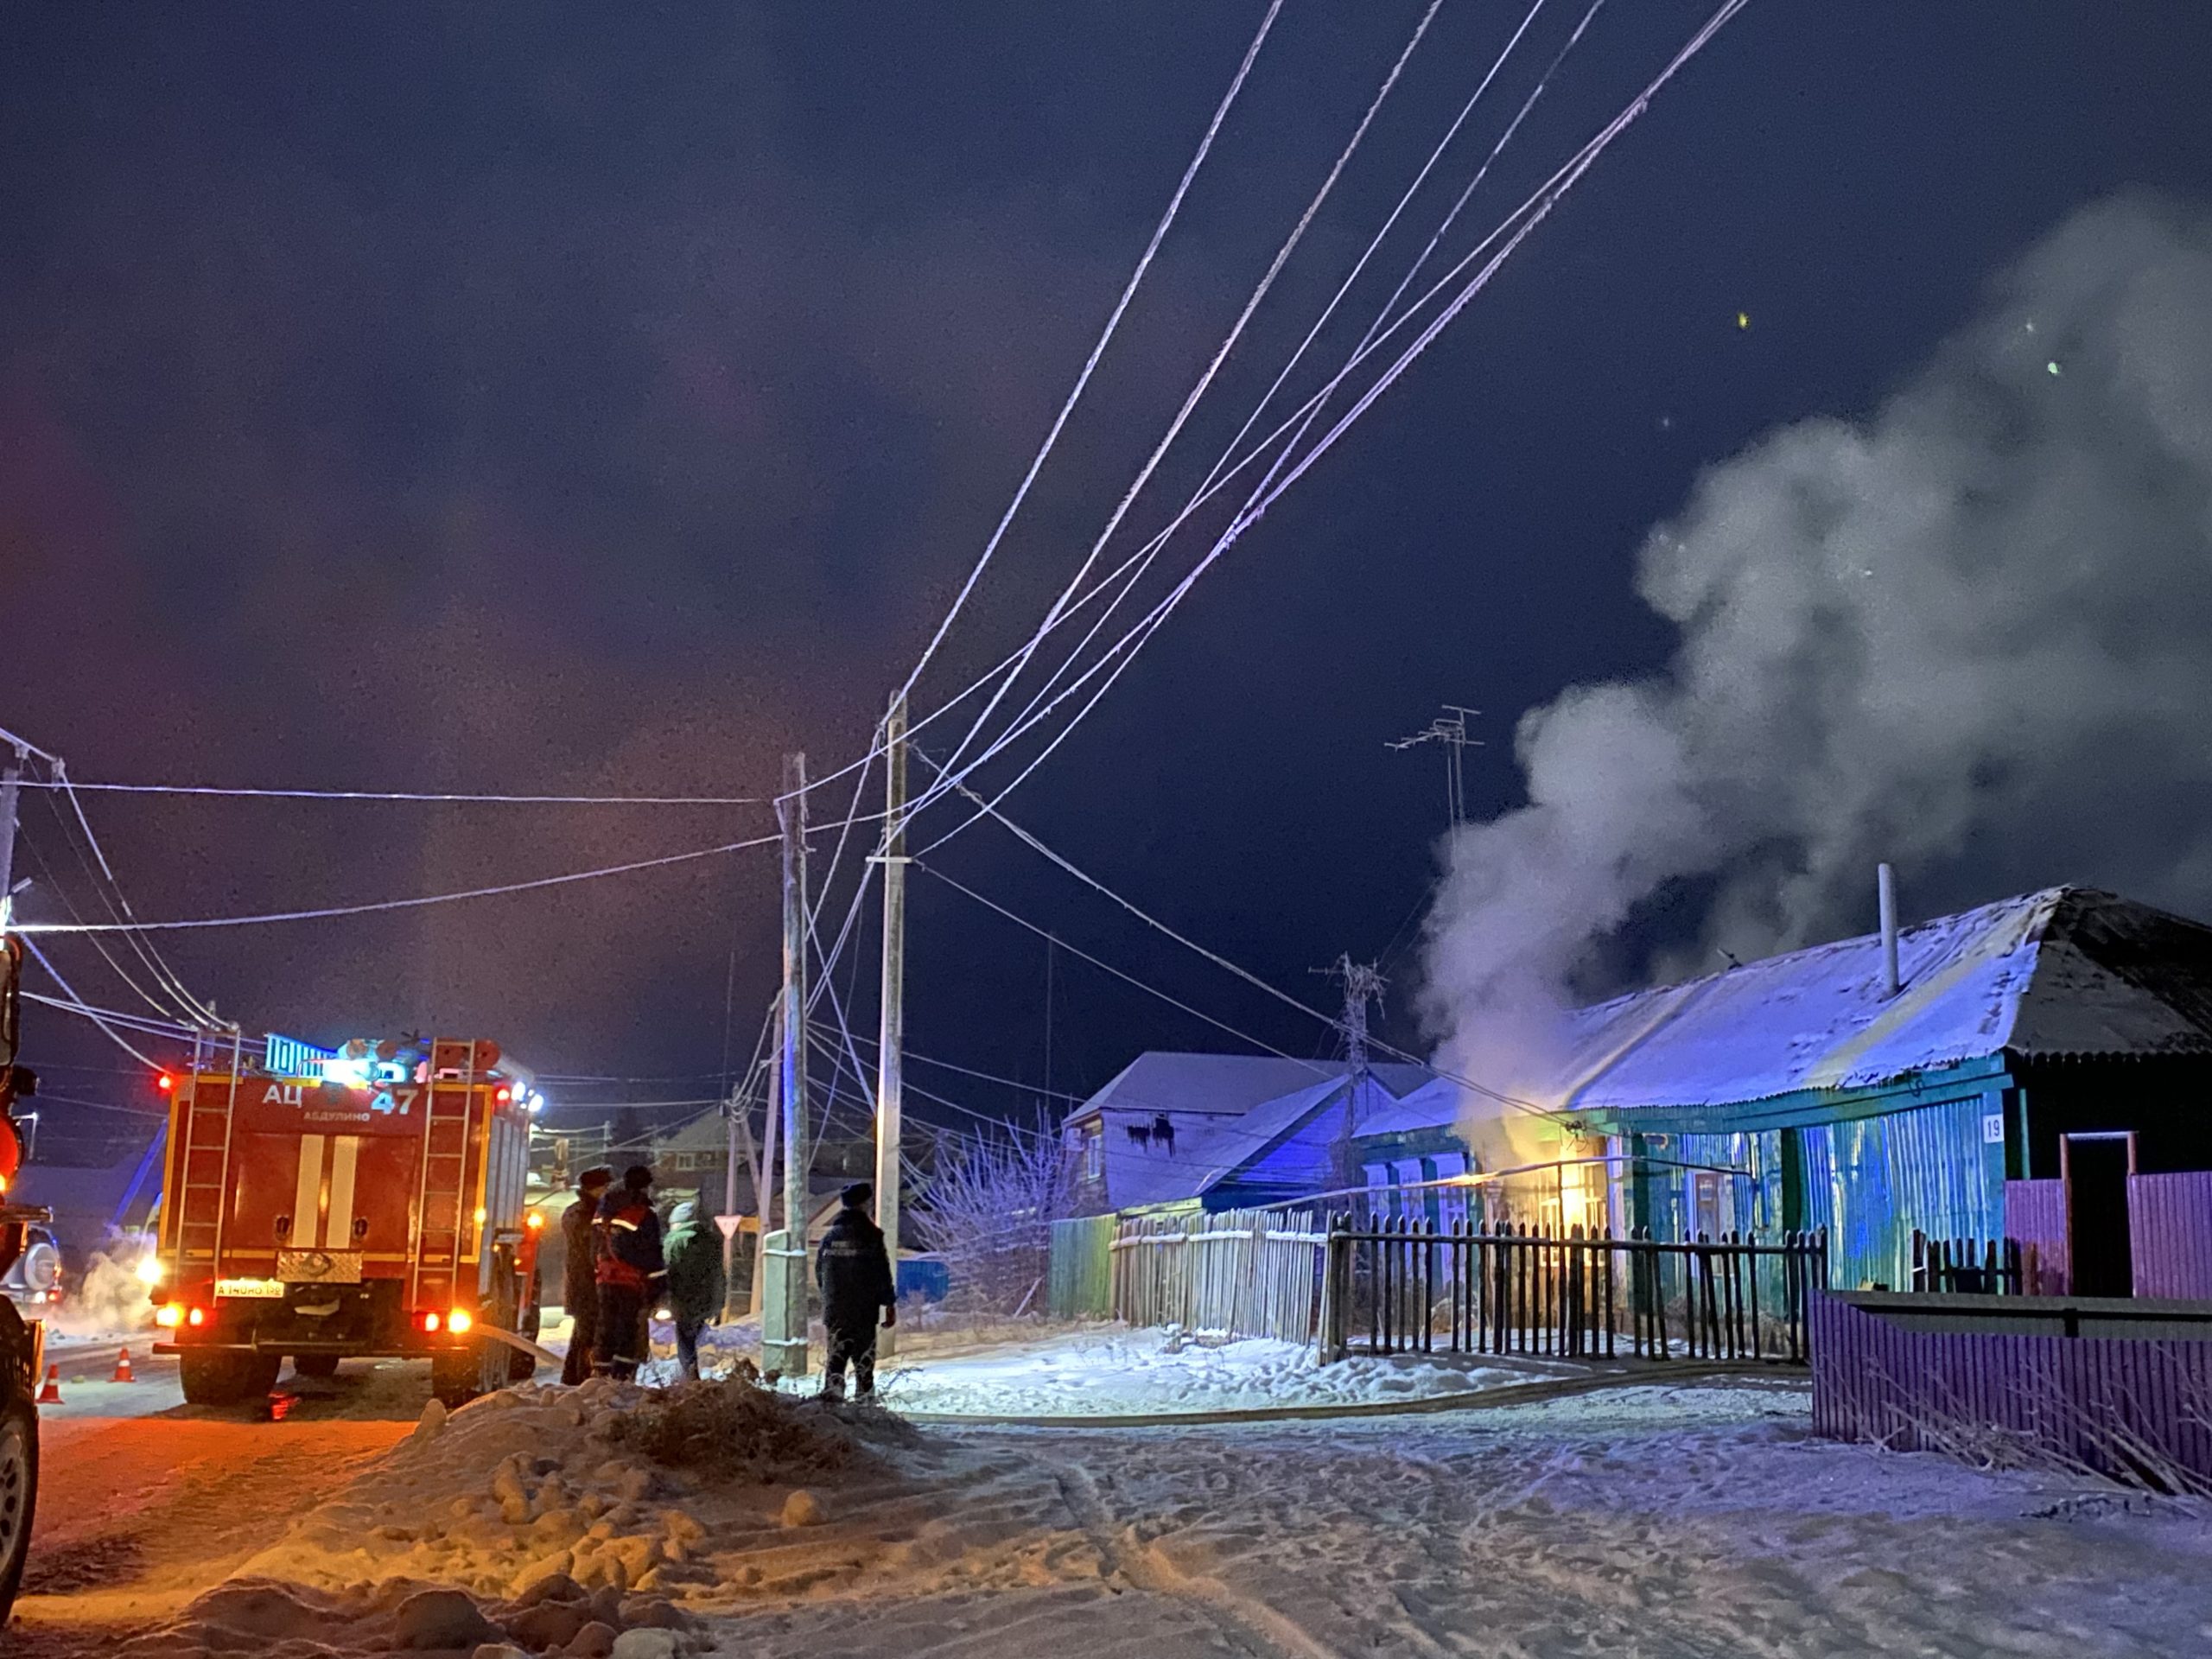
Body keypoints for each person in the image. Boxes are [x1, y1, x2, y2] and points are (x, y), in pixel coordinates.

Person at [816, 1181, 896, 1402]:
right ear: (865, 1204)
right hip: (863, 1313)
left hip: (835, 1312)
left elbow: (820, 1274)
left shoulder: (829, 1237)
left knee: (835, 1363)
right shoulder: (871, 1236)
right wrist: (889, 1304)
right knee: (864, 1367)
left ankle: (831, 1414)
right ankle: (864, 1411)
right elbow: (882, 1273)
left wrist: (830, 1299)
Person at [593, 1165, 666, 1381]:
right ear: (645, 1187)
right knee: (628, 1329)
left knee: (605, 1325)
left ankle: (599, 1373)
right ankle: (622, 1377)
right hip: (630, 1281)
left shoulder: (604, 1210)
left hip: (604, 1278)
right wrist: (658, 1285)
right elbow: (651, 1253)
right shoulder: (643, 1214)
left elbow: (593, 1245)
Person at [559, 1166, 613, 1387]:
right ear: (595, 1189)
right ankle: (583, 1384)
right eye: (606, 1186)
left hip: (586, 1286)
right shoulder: (585, 1216)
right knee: (588, 1338)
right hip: (587, 1286)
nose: (609, 1191)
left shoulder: (579, 1213)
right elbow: (593, 1250)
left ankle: (572, 1381)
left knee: (583, 1337)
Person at [662, 1199, 726, 1381]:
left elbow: (667, 1268)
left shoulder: (673, 1241)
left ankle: (690, 1375)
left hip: (682, 1297)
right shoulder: (712, 1241)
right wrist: (718, 1302)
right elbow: (718, 1274)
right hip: (706, 1299)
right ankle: (698, 1374)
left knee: (685, 1337)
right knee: (695, 1335)